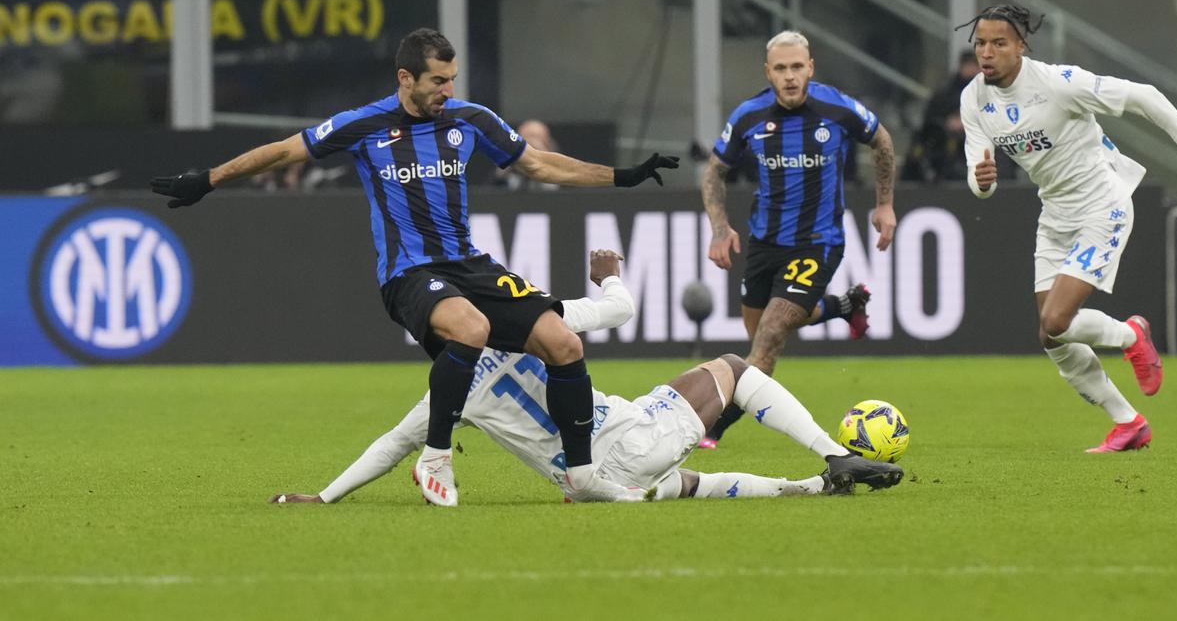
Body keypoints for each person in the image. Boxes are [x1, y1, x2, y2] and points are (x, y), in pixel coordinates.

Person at [151, 28, 679, 506]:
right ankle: (437, 457)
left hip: (469, 264)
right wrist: (208, 180)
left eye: (452, 80)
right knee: (471, 328)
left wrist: (622, 176)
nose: (447, 90)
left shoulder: (471, 120)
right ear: (406, 78)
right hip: (409, 273)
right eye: (437, 81)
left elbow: (538, 163)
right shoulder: (365, 124)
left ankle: (582, 476)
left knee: (565, 344)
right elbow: (282, 152)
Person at [269, 250, 903, 505]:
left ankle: (811, 490)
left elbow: (391, 446)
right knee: (732, 369)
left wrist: (323, 498)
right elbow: (621, 309)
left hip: (593, 483)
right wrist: (609, 272)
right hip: (622, 439)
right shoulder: (525, 322)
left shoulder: (448, 390)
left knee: (686, 482)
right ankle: (833, 456)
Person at [958, 4, 1177, 452]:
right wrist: (981, 183)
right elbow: (978, 174)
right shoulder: (974, 98)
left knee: (1056, 320)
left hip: (1103, 207)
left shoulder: (1059, 84)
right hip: (1055, 214)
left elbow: (1144, 96)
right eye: (981, 43)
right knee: (1052, 337)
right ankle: (1128, 423)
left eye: (998, 43)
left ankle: (1131, 335)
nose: (986, 53)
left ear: (1021, 46)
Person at [699, 30, 899, 446]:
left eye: (796, 67)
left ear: (810, 68)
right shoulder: (750, 115)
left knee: (769, 338)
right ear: (768, 72)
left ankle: (712, 429)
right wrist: (720, 227)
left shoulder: (837, 108)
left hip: (819, 241)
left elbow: (881, 141)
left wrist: (884, 205)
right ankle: (845, 304)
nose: (789, 77)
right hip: (766, 242)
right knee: (762, 331)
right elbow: (715, 170)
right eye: (780, 68)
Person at [901, 51, 980, 183]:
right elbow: (929, 122)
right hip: (946, 145)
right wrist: (948, 123)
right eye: (970, 65)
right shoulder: (945, 93)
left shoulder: (986, 91)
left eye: (976, 66)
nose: (973, 70)